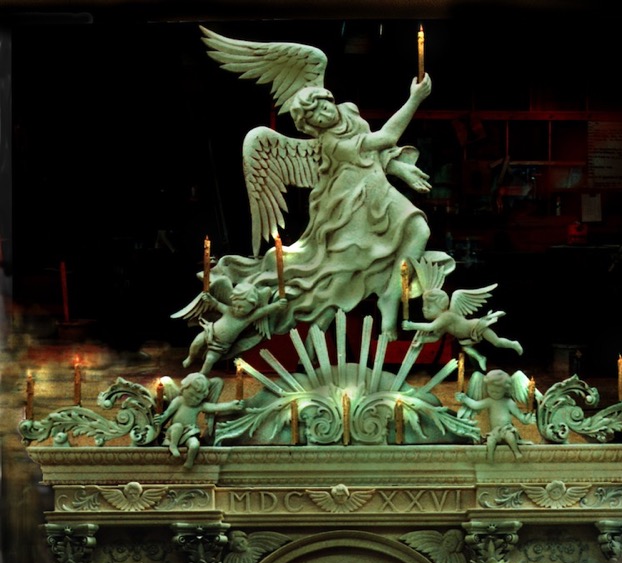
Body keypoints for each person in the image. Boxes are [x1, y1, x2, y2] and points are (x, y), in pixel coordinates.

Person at [206, 72, 436, 341]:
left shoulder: (350, 111)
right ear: (311, 127)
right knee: (341, 276)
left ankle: (392, 296)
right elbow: (385, 138)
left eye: (322, 105)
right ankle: (315, 338)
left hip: (377, 189)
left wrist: (397, 168)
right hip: (348, 204)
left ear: (329, 98)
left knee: (419, 231)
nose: (323, 114)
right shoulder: (331, 142)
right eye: (314, 116)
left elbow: (371, 153)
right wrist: (415, 99)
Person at [402, 288, 522, 370]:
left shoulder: (446, 316)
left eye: (429, 306)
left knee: (497, 342)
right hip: (465, 337)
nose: (424, 309)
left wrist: (411, 325)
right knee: (467, 348)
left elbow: (430, 327)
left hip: (475, 327)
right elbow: (435, 337)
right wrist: (422, 340)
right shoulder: (443, 323)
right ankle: (481, 358)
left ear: (441, 305)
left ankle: (513, 344)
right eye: (424, 306)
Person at [181, 281, 287, 374]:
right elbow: (216, 304)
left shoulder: (247, 318)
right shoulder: (229, 310)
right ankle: (190, 357)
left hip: (220, 345)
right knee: (195, 343)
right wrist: (209, 299)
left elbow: (264, 310)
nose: (236, 309)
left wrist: (277, 305)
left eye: (241, 307)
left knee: (210, 360)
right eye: (235, 305)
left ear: (252, 307)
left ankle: (202, 374)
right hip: (210, 331)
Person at [155, 372, 244, 468]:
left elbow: (215, 407)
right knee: (178, 426)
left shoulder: (199, 406)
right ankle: (173, 446)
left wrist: (231, 405)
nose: (193, 399)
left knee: (195, 445)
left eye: (197, 398)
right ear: (184, 389)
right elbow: (167, 413)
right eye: (191, 395)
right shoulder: (179, 400)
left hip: (189, 432)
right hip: (173, 431)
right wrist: (161, 418)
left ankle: (189, 462)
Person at [456, 369, 536, 461]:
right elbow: (476, 405)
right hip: (495, 432)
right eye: (491, 391)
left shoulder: (509, 402)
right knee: (490, 442)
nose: (494, 393)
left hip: (507, 429)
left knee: (510, 437)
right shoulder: (489, 401)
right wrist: (465, 399)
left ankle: (516, 452)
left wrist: (527, 419)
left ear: (505, 389)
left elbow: (520, 416)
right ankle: (490, 458)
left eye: (497, 392)